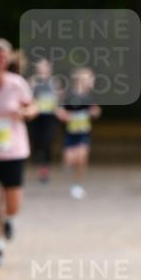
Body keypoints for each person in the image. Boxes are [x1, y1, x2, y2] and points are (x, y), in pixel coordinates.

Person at [0, 38, 38, 267]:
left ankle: (9, 218)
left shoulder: (16, 84)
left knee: (12, 204)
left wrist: (25, 113)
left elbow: (33, 107)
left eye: (4, 58)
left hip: (13, 151)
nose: (0, 62)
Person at [56, 66, 101, 200]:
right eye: (89, 79)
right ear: (80, 80)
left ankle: (77, 186)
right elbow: (59, 111)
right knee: (69, 160)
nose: (91, 82)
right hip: (70, 134)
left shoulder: (89, 97)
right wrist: (66, 116)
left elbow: (95, 110)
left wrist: (94, 112)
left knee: (82, 159)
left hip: (83, 133)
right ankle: (70, 166)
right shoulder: (69, 96)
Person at [29, 58, 60, 182]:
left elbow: (59, 98)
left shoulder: (55, 82)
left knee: (47, 142)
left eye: (44, 67)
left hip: (50, 117)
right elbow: (27, 97)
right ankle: (39, 157)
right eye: (40, 67)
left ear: (49, 68)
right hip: (36, 116)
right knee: (36, 141)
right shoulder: (32, 81)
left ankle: (45, 168)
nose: (42, 69)